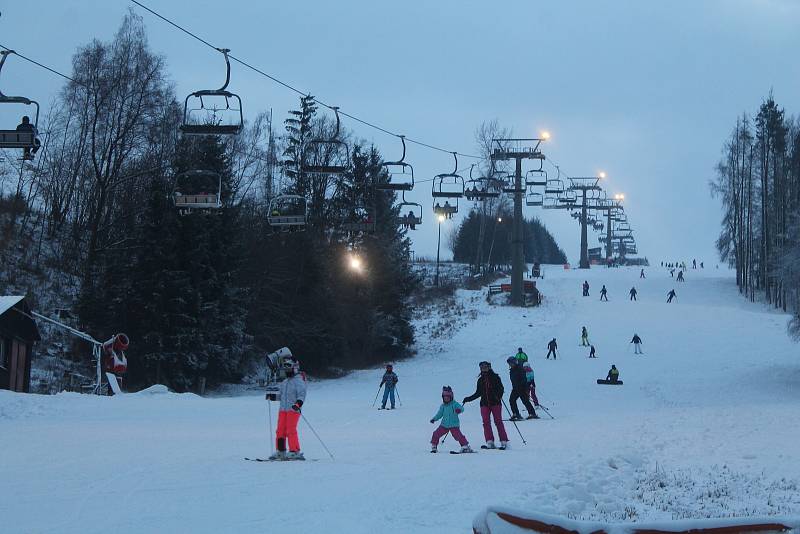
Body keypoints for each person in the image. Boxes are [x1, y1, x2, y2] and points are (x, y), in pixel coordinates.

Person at [462, 361, 509, 450]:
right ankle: (490, 441)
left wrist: (498, 397)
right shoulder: (480, 380)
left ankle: (504, 441)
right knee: (486, 423)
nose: (483, 368)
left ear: (489, 367)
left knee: (498, 422)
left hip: (495, 403)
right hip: (484, 404)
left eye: (485, 366)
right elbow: (478, 393)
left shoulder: (495, 377)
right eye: (482, 367)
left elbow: (501, 389)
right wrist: (468, 398)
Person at [270, 357, 307, 460]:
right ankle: (280, 451)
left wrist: (298, 404)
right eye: (285, 369)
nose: (286, 371)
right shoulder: (285, 382)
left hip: (293, 409)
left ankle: (294, 451)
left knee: (290, 429)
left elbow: (302, 394)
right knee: (280, 430)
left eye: (288, 368)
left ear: (294, 368)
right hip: (283, 410)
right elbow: (282, 396)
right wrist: (273, 397)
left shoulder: (299, 380)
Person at [430, 386, 472, 453]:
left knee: (458, 436)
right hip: (444, 425)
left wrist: (459, 410)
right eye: (444, 397)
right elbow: (439, 414)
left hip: (454, 425)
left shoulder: (455, 404)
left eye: (447, 397)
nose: (446, 398)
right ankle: (434, 446)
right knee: (436, 434)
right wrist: (434, 419)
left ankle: (465, 446)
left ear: (451, 397)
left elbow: (462, 408)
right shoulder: (443, 406)